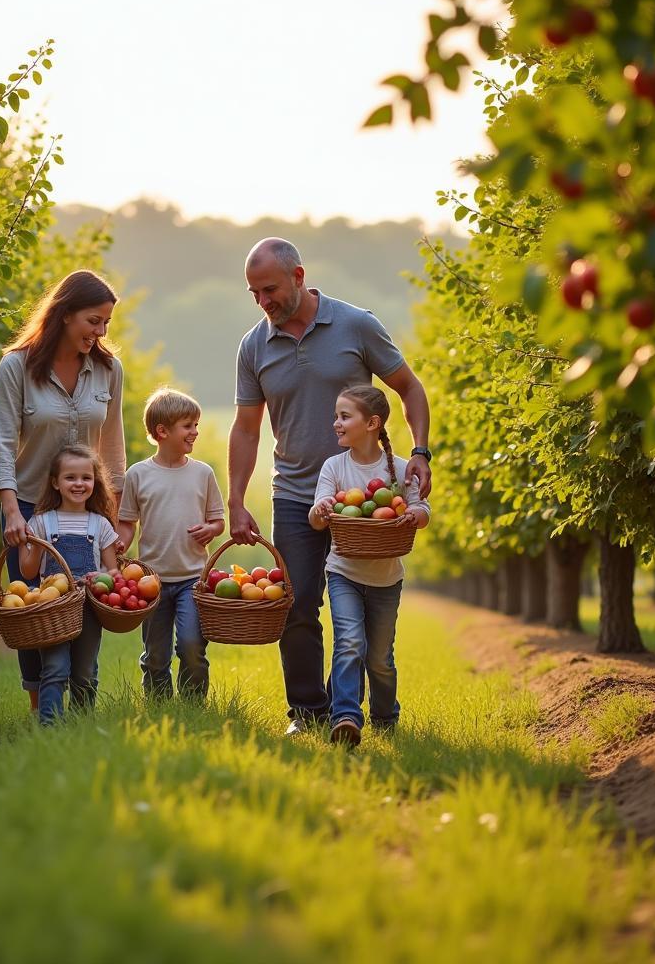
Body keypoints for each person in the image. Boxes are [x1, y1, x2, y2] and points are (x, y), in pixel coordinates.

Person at [228, 237, 432, 735]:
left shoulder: (355, 324)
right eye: (254, 293)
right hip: (296, 493)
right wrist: (235, 497)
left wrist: (421, 451)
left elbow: (409, 387)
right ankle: (308, 713)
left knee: (365, 608)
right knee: (296, 602)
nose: (263, 301)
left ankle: (363, 709)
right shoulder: (254, 345)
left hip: (362, 497)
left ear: (299, 277)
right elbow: (247, 428)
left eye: (270, 289)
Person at [0, 270, 126, 712]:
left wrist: (118, 515)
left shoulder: (108, 369)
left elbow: (114, 441)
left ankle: (82, 696)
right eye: (93, 320)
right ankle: (39, 704)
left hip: (88, 505)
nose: (100, 332)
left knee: (87, 600)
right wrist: (11, 509)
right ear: (65, 315)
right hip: (28, 503)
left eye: (106, 323)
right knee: (29, 604)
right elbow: (2, 439)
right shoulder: (18, 366)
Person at [309, 386, 430, 746]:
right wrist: (322, 509)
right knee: (348, 642)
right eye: (336, 416)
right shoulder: (334, 466)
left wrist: (414, 515)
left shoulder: (401, 469)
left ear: (373, 423)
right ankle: (345, 715)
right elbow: (318, 517)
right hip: (343, 571)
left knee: (379, 658)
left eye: (344, 416)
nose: (336, 423)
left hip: (386, 578)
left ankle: (385, 715)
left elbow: (422, 509)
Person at [116, 388, 225, 698]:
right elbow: (127, 523)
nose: (195, 432)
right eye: (188, 425)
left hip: (193, 578)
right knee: (155, 653)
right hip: (152, 581)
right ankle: (158, 704)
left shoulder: (202, 473)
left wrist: (211, 529)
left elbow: (218, 520)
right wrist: (121, 546)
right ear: (162, 431)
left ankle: (192, 704)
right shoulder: (138, 475)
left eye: (196, 424)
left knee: (192, 645)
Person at [19, 445, 120, 724]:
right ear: (55, 482)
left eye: (86, 478)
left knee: (85, 670)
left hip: (89, 607)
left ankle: (82, 723)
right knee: (54, 667)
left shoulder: (99, 525)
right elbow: (28, 570)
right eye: (70, 477)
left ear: (94, 482)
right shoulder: (41, 522)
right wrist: (33, 543)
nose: (79, 484)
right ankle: (50, 724)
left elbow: (113, 573)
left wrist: (98, 579)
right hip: (52, 609)